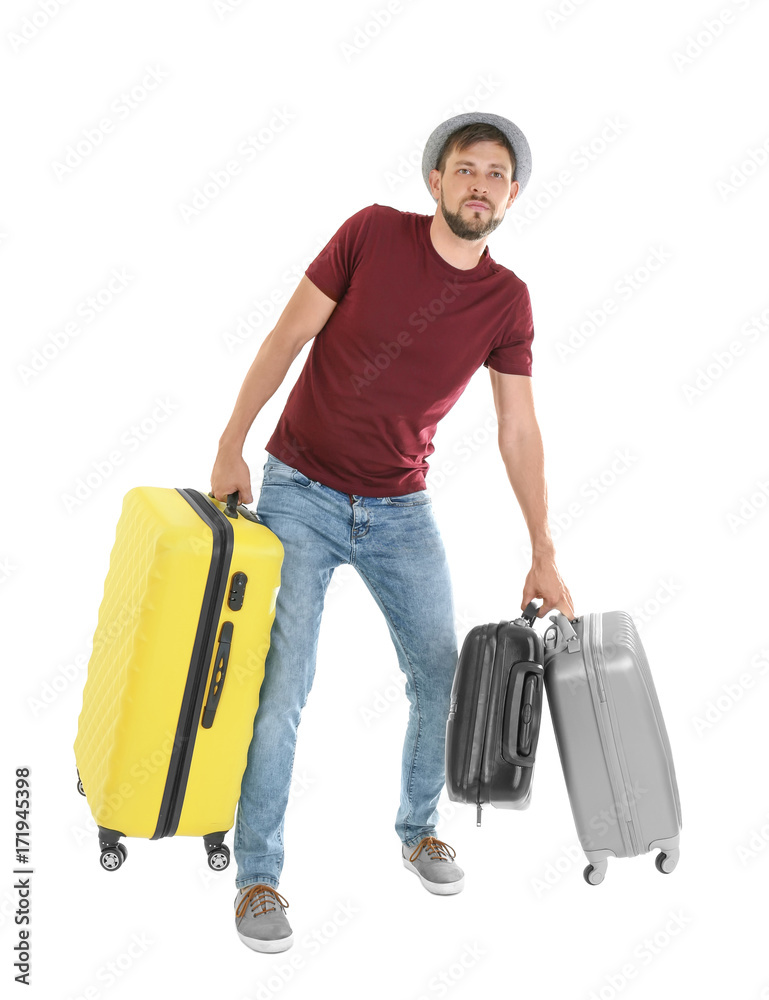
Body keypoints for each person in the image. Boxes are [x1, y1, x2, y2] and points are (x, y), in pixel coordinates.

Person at [210, 111, 575, 954]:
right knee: (281, 691)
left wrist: (543, 550)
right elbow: (285, 337)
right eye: (464, 168)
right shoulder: (371, 234)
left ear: (511, 195)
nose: (479, 184)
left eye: (496, 173)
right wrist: (230, 443)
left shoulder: (506, 300)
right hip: (300, 488)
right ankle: (258, 876)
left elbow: (516, 429)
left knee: (441, 679)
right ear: (435, 181)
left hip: (399, 509)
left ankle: (418, 830)